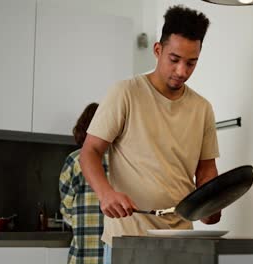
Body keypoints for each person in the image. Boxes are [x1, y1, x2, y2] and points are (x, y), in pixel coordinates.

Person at [80, 5, 221, 263]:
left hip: (182, 242)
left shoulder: (202, 108)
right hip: (129, 238)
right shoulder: (126, 93)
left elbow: (206, 170)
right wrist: (106, 194)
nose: (182, 71)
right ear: (158, 50)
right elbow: (89, 151)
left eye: (191, 63)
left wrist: (212, 203)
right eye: (174, 59)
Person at [59, 102, 108, 264]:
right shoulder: (123, 161)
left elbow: (67, 209)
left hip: (83, 253)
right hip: (113, 254)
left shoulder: (75, 160)